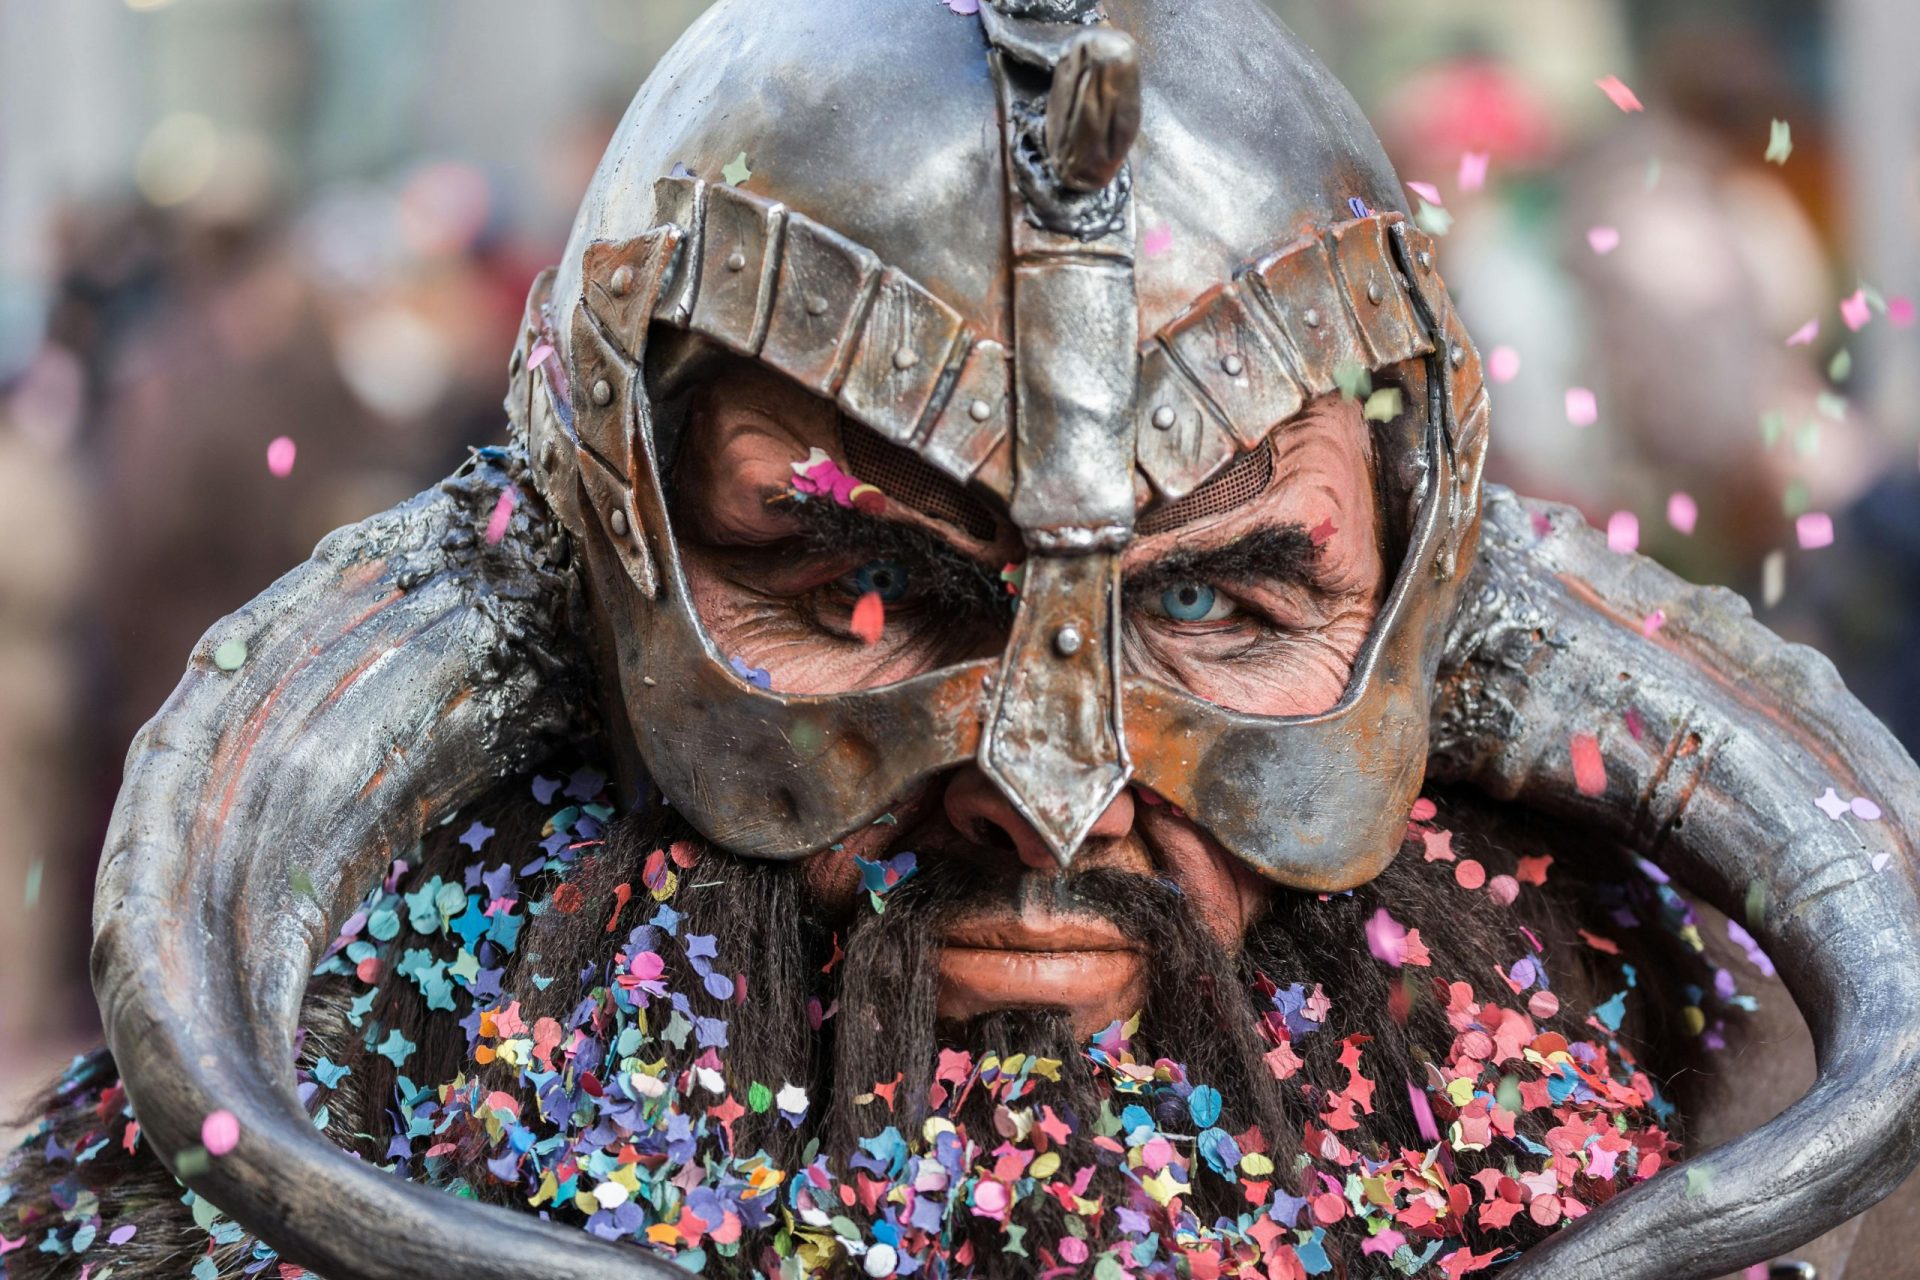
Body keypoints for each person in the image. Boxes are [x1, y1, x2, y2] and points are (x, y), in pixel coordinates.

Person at [8, 1, 1920, 1277]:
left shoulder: (1669, 1101)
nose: (1056, 794)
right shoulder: (294, 1142)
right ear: (603, 570)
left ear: (1409, 605)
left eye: (1218, 598)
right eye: (865, 591)